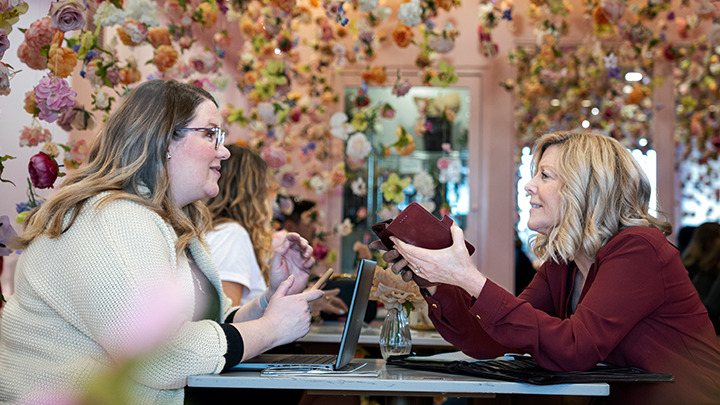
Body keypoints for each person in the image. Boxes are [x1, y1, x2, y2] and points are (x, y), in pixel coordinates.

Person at [0, 79, 324, 404]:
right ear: (164, 139)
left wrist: (272, 299)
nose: (223, 151)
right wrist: (271, 329)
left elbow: (213, 321)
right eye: (210, 134)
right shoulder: (112, 218)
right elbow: (159, 356)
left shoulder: (164, 222)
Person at [372, 132, 720, 404]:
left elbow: (575, 348)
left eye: (545, 175)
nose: (528, 186)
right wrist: (435, 280)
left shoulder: (639, 249)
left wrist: (467, 276)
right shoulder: (563, 263)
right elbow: (489, 340)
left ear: (587, 189)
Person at [205, 146, 347, 315]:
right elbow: (225, 323)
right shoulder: (231, 234)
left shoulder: (222, 231)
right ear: (252, 192)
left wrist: (299, 302)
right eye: (265, 186)